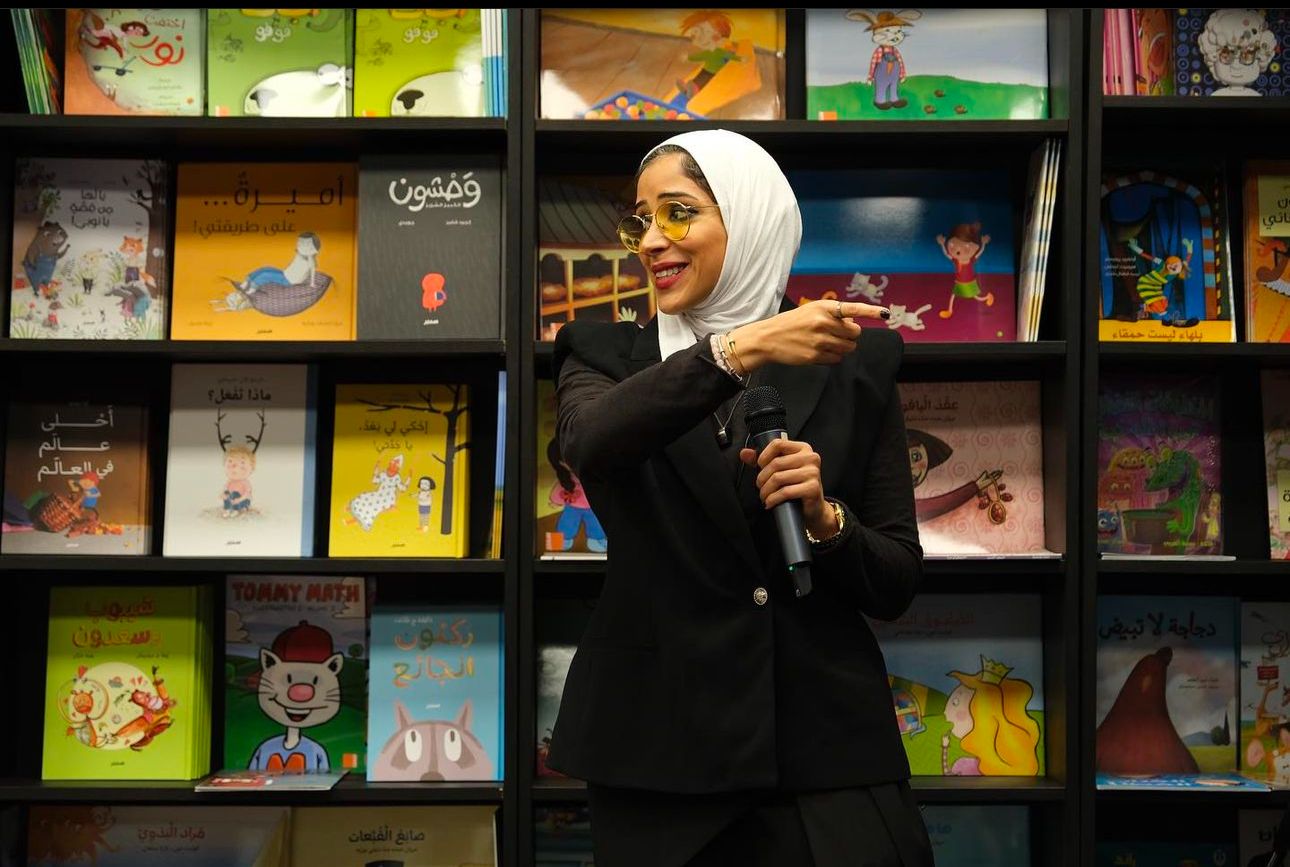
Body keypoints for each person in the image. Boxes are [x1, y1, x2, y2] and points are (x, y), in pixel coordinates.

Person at [547, 128, 932, 866]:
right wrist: (739, 348)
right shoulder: (600, 354)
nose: (650, 241)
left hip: (825, 750)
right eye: (640, 221)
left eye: (678, 213)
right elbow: (591, 443)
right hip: (659, 753)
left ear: (750, 216)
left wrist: (826, 521)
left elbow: (895, 580)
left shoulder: (856, 360)